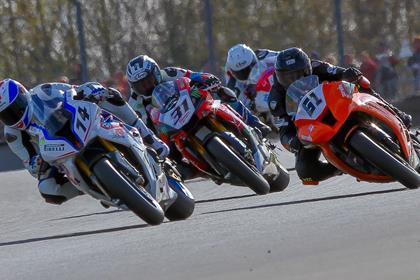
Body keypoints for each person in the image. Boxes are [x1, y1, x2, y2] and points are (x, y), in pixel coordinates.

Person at [0, 79, 169, 205]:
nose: (15, 115)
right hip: (56, 153)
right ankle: (99, 185)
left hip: (79, 124)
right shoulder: (13, 134)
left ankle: (150, 139)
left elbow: (73, 91)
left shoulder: (44, 91)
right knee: (48, 189)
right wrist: (36, 163)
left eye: (16, 107)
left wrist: (91, 89)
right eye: (6, 114)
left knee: (111, 95)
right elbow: (30, 165)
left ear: (24, 94)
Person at [268, 47, 413, 184]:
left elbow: (339, 72)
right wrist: (293, 142)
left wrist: (349, 74)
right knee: (306, 175)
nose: (294, 80)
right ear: (279, 76)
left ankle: (395, 112)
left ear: (308, 68)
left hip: (336, 105)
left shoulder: (318, 67)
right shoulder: (276, 99)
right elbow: (283, 130)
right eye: (288, 77)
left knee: (361, 82)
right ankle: (340, 167)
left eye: (298, 74)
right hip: (311, 129)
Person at [126, 54, 270, 135]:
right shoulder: (134, 103)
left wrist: (208, 80)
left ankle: (254, 122)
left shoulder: (169, 73)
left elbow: (195, 76)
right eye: (141, 85)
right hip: (168, 129)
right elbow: (137, 128)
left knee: (223, 92)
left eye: (149, 80)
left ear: (156, 72)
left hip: (190, 104)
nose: (147, 87)